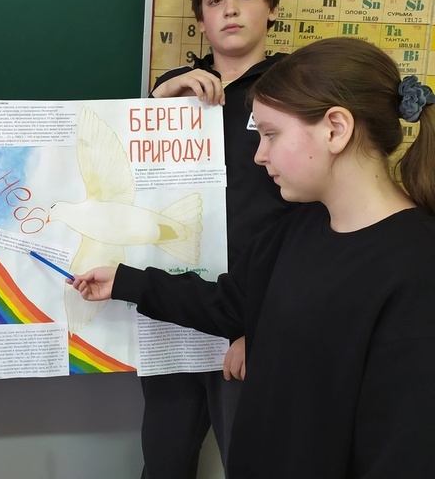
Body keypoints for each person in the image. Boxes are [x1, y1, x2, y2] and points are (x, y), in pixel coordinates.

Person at [72, 37, 435, 477]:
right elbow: (230, 304)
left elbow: (402, 446)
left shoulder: (416, 268)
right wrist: (126, 282)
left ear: (335, 129)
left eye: (271, 134)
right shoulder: (294, 230)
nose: (260, 155)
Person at [143, 0, 293, 478]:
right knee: (164, 461)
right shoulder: (172, 93)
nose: (230, 9)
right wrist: (157, 105)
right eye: (215, 0)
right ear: (201, 19)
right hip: (177, 307)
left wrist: (264, 326)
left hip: (255, 314)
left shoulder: (297, 90)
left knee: (251, 459)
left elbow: (315, 216)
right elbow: (131, 188)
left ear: (271, 7)